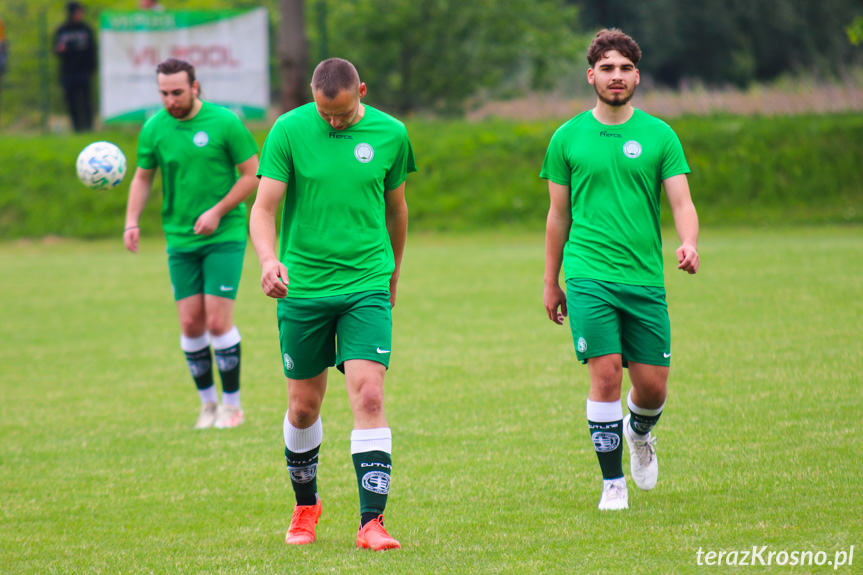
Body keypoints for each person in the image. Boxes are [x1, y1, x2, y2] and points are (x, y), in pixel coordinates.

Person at [250, 58, 416, 550]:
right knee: (303, 409)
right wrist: (267, 260)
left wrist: (393, 274)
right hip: (303, 287)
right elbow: (263, 207)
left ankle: (372, 524)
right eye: (325, 113)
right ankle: (306, 506)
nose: (333, 121)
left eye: (342, 114)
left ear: (361, 91)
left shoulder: (392, 133)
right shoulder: (288, 130)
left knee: (369, 396)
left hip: (365, 282)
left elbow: (396, 208)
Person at [541, 29, 700, 511]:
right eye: (607, 68)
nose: (616, 76)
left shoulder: (659, 135)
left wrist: (688, 241)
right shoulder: (567, 137)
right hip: (588, 273)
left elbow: (681, 200)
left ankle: (639, 431)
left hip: (644, 278)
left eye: (625, 68)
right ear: (591, 75)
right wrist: (552, 280)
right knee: (606, 375)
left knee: (651, 387)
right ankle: (612, 484)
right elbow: (558, 215)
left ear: (637, 76)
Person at [124, 58, 259, 430]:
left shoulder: (225, 123)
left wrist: (217, 211)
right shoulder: (154, 129)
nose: (170, 100)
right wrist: (131, 221)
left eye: (177, 92)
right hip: (180, 239)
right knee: (189, 322)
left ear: (195, 87)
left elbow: (252, 176)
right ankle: (208, 406)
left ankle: (233, 406)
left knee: (217, 322)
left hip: (224, 234)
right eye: (164, 93)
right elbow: (142, 178)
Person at [53, 2, 96, 132]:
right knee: (71, 101)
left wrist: (90, 69)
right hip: (68, 72)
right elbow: (57, 50)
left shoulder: (86, 30)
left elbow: (92, 50)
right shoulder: (62, 31)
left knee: (86, 100)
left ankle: (88, 127)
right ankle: (76, 128)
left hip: (83, 71)